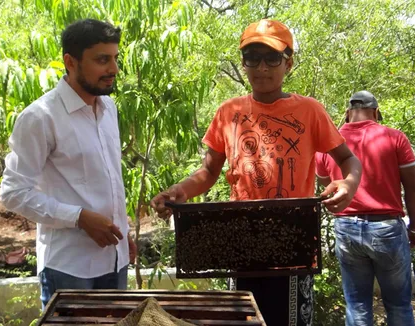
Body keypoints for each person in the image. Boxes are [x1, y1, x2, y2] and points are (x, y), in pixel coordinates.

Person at [151, 19, 362, 326]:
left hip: (294, 245)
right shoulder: (228, 113)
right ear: (243, 63)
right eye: (253, 58)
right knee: (244, 321)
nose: (262, 67)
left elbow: (348, 160)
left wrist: (348, 184)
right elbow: (209, 171)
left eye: (272, 58)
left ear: (288, 64)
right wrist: (180, 190)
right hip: (241, 242)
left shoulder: (310, 111)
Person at [0, 19, 137, 308]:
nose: (113, 69)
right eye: (102, 60)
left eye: (115, 58)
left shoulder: (108, 107)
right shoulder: (40, 117)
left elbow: (108, 179)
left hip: (115, 261)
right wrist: (79, 217)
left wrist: (124, 235)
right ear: (70, 62)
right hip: (68, 268)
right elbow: (12, 193)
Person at [315, 90, 415, 326]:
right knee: (398, 305)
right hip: (386, 228)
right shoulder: (394, 138)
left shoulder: (329, 143)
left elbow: (328, 185)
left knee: (357, 306)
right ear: (376, 112)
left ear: (347, 114)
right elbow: (414, 188)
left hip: (346, 229)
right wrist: (414, 229)